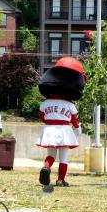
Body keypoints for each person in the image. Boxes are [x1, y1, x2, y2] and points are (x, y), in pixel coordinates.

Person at [35, 57, 86, 190]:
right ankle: (60, 180)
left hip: (49, 130)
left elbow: (41, 116)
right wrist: (77, 128)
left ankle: (46, 167)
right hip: (64, 130)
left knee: (51, 155)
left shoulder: (45, 103)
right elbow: (74, 119)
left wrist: (49, 122)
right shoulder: (69, 104)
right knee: (63, 157)